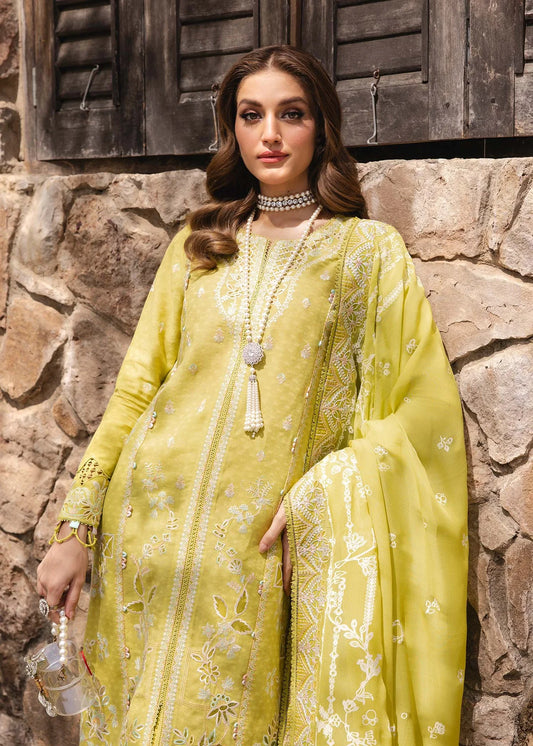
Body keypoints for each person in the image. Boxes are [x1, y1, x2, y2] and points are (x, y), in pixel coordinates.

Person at [36, 45, 468, 745]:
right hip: (149, 533)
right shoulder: (198, 245)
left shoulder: (365, 253)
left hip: (256, 550)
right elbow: (138, 389)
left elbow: (417, 411)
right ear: (231, 129)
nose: (269, 134)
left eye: (290, 114)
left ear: (320, 127)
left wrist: (319, 495)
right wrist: (75, 527)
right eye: (250, 115)